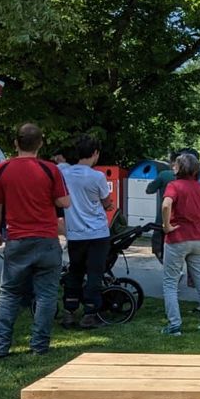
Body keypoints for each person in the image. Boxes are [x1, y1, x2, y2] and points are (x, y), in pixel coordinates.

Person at [0, 123, 70, 358]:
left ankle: (1, 347)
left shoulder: (2, 170)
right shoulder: (50, 169)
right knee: (46, 295)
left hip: (17, 239)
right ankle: (39, 346)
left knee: (8, 294)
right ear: (41, 143)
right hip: (46, 239)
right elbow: (65, 202)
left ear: (16, 143)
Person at [57, 134, 115, 329]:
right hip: (97, 233)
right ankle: (90, 313)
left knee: (75, 271)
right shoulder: (97, 176)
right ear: (95, 153)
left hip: (75, 233)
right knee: (94, 273)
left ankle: (69, 311)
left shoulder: (65, 174)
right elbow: (106, 202)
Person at [160, 152, 200, 335]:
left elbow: (166, 205)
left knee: (170, 282)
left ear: (178, 168)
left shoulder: (174, 186)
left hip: (177, 238)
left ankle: (174, 325)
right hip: (198, 239)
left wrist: (166, 226)